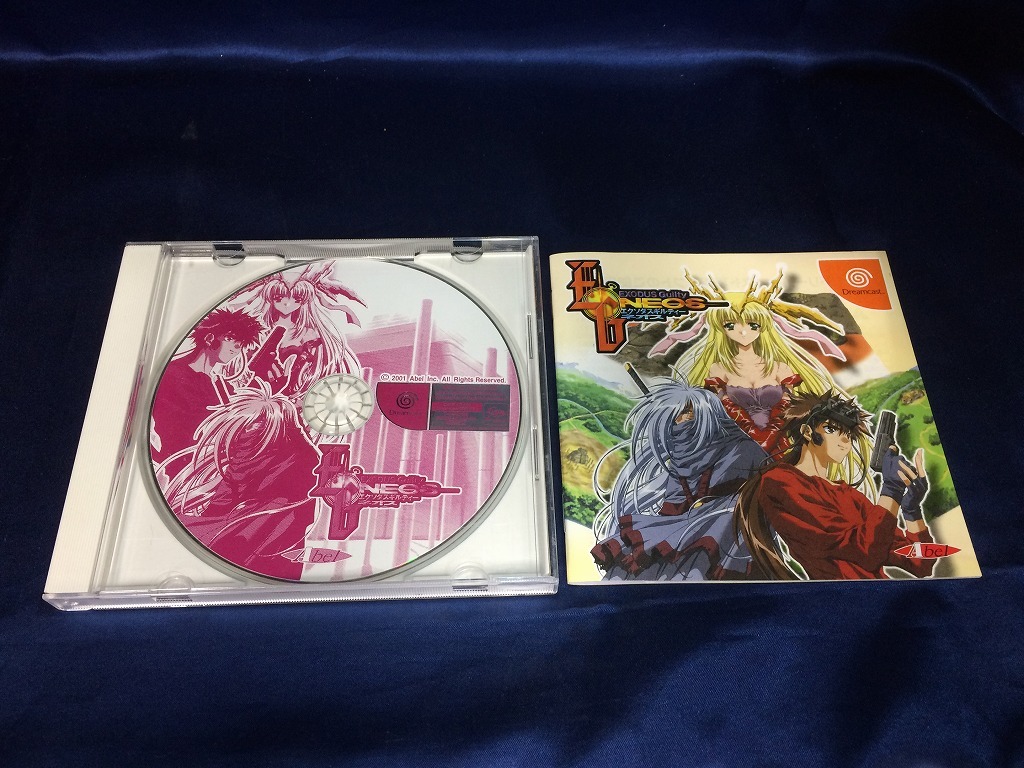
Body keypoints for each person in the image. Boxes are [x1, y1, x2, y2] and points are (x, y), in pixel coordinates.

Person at [734, 390, 936, 580]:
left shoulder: (848, 495)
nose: (844, 441)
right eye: (831, 429)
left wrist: (912, 510)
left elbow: (921, 564)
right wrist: (891, 491)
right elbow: (867, 552)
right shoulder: (780, 482)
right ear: (807, 432)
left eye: (848, 435)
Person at [650, 270, 848, 461]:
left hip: (778, 448)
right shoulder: (719, 370)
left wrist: (767, 441)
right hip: (734, 448)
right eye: (731, 325)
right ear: (722, 329)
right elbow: (719, 411)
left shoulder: (780, 369)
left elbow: (788, 412)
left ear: (763, 327)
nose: (743, 332)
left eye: (753, 325)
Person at [590, 378, 767, 580]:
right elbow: (672, 508)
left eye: (690, 412)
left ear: (708, 414)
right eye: (679, 414)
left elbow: (764, 493)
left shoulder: (743, 449)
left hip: (730, 529)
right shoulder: (679, 459)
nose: (684, 419)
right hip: (684, 526)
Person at [162, 384, 322, 581]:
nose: (246, 434)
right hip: (265, 539)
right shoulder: (286, 443)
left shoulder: (277, 446)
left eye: (251, 427)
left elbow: (233, 485)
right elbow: (230, 488)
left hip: (262, 533)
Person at [150, 308, 264, 478]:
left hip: (214, 467)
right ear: (209, 338)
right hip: (181, 469)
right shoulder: (173, 374)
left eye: (240, 344)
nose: (236, 348)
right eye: (230, 339)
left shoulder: (220, 384)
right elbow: (176, 429)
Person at [235, 262, 363, 403]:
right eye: (279, 298)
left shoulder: (309, 335)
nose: (287, 303)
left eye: (297, 299)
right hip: (255, 395)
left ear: (304, 302)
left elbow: (319, 373)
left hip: (295, 399)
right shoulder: (256, 331)